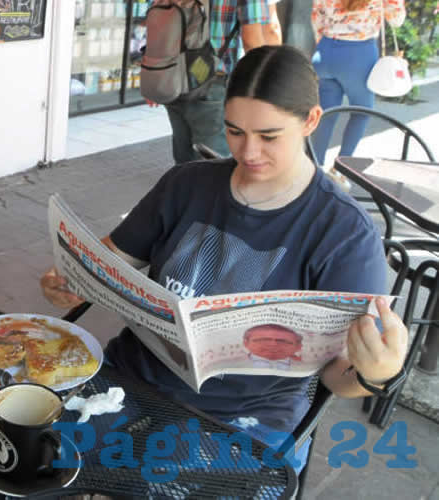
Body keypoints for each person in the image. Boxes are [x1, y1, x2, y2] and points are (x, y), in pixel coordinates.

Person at [42, 46, 407, 474]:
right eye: (234, 131)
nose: (248, 151)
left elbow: (336, 378)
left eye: (269, 136)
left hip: (246, 417)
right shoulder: (187, 184)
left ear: (311, 121)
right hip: (130, 378)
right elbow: (108, 260)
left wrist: (375, 374)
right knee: (39, 459)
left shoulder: (342, 234)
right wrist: (68, 279)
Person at [149, 0, 269, 164]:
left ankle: (185, 187)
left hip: (173, 77)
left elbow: (158, 25)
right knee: (213, 163)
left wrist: (154, 78)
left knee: (183, 159)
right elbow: (252, 40)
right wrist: (263, 86)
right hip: (211, 82)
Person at [310, 0, 406, 166]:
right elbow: (397, 20)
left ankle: (313, 167)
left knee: (326, 114)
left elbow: (317, 18)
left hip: (325, 52)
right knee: (362, 113)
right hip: (359, 55)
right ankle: (341, 168)